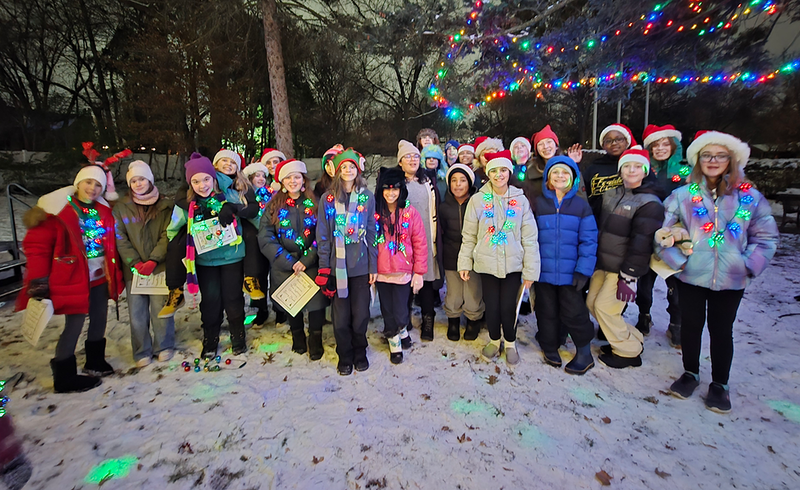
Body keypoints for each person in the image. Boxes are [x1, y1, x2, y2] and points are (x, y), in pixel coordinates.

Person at [658, 131, 778, 413]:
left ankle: (720, 384)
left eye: (720, 156)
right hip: (691, 275)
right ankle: (690, 373)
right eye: (707, 155)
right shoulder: (683, 196)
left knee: (722, 330)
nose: (713, 161)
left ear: (731, 160)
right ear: (698, 160)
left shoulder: (749, 198)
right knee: (691, 325)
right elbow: (662, 234)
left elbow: (766, 237)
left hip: (731, 278)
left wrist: (747, 265)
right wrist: (679, 261)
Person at [18, 159, 124, 392]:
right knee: (74, 324)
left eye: (98, 185)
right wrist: (38, 279)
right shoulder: (57, 212)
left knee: (100, 317)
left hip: (99, 276)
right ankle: (64, 376)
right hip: (72, 277)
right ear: (78, 183)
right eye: (88, 182)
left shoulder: (102, 210)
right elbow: (38, 247)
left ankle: (95, 361)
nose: (93, 188)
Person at [458, 150, 540, 365]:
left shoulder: (520, 200)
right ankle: (495, 340)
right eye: (494, 171)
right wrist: (465, 262)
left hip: (513, 264)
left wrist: (530, 271)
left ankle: (510, 342)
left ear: (509, 172)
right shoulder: (478, 200)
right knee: (492, 306)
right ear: (488, 173)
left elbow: (530, 238)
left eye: (503, 170)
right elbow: (469, 235)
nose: (499, 175)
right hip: (487, 264)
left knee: (508, 307)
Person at [586, 147, 664, 369]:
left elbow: (641, 244)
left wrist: (629, 276)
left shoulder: (649, 203)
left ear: (645, 171)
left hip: (622, 267)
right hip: (603, 262)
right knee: (592, 304)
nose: (631, 170)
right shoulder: (613, 193)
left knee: (605, 308)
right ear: (620, 170)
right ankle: (632, 338)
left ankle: (628, 352)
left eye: (637, 167)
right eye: (627, 166)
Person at [167, 153, 250, 358]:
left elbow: (252, 214)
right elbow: (173, 230)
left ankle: (238, 335)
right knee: (211, 301)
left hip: (232, 257)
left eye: (206, 179)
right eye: (196, 181)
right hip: (205, 261)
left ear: (214, 178)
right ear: (190, 184)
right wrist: (187, 242)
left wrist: (236, 211)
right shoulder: (187, 205)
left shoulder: (230, 196)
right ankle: (210, 338)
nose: (202, 185)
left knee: (233, 298)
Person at [533, 156, 598, 374]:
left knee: (574, 312)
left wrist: (583, 270)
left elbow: (589, 240)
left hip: (571, 273)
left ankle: (584, 352)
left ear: (573, 179)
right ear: (548, 178)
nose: (560, 176)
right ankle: (549, 345)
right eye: (555, 172)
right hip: (544, 272)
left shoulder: (580, 205)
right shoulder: (539, 203)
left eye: (565, 173)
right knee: (546, 310)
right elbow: (530, 236)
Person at [316, 149, 378, 375]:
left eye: (352, 167)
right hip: (337, 268)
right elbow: (323, 235)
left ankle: (360, 351)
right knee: (341, 319)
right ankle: (345, 354)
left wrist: (373, 265)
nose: (348, 171)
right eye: (344, 167)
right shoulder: (327, 199)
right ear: (337, 171)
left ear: (358, 170)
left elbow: (371, 231)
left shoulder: (367, 197)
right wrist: (324, 267)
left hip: (360, 267)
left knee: (360, 315)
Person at [259, 159, 328, 360]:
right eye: (288, 178)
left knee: (315, 303)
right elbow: (266, 236)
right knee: (292, 302)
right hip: (284, 264)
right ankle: (297, 334)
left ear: (303, 179)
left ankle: (315, 337)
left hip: (311, 262)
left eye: (296, 177)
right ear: (282, 181)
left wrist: (307, 259)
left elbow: (323, 233)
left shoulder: (315, 203)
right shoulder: (273, 206)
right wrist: (288, 261)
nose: (293, 181)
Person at [113, 160, 176, 367]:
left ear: (150, 180)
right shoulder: (121, 208)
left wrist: (154, 260)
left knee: (161, 309)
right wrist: (134, 262)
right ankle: (141, 350)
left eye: (142, 179)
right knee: (137, 313)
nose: (138, 184)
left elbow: (168, 234)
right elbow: (120, 237)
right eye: (134, 181)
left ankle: (164, 345)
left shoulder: (165, 206)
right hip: (134, 270)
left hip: (159, 267)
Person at [635, 124, 691, 344]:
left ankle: (676, 323)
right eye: (655, 145)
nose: (660, 149)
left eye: (665, 144)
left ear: (673, 146)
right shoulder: (645, 171)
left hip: (675, 237)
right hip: (648, 232)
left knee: (675, 284)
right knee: (645, 282)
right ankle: (644, 315)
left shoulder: (685, 172)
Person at [374, 167, 428, 364]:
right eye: (387, 189)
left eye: (395, 188)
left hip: (403, 272)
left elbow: (420, 243)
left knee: (401, 310)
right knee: (387, 309)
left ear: (401, 190)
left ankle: (402, 329)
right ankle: (394, 340)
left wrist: (419, 272)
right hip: (381, 272)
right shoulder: (375, 213)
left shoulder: (410, 213)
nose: (391, 193)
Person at [396, 140, 443, 341]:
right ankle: (404, 319)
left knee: (426, 282)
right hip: (403, 242)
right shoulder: (395, 183)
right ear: (400, 162)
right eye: (408, 157)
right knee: (404, 283)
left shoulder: (427, 182)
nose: (413, 160)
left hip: (426, 240)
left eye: (416, 156)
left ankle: (428, 320)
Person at [440, 163, 485, 341]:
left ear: (470, 183)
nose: (458, 184)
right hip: (451, 254)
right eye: (454, 180)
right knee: (454, 292)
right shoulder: (444, 207)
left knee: (473, 291)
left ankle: (473, 319)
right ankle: (453, 319)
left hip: (473, 255)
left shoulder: (478, 204)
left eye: (462, 180)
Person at [212, 149, 264, 300]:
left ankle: (250, 278)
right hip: (215, 226)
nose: (229, 164)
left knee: (252, 235)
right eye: (224, 160)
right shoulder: (208, 180)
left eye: (233, 162)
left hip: (240, 222)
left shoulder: (244, 185)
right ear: (216, 164)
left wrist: (235, 208)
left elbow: (253, 207)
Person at [243, 160, 278, 325]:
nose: (261, 179)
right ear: (250, 177)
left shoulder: (269, 194)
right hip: (255, 241)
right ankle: (260, 309)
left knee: (275, 273)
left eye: (263, 176)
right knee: (258, 275)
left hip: (271, 238)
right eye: (257, 175)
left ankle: (280, 309)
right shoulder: (245, 195)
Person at [581, 123, 637, 221]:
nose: (614, 143)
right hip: (597, 221)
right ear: (603, 145)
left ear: (627, 142)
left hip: (630, 219)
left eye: (619, 139)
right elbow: (581, 193)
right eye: (608, 141)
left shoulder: (637, 165)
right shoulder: (594, 168)